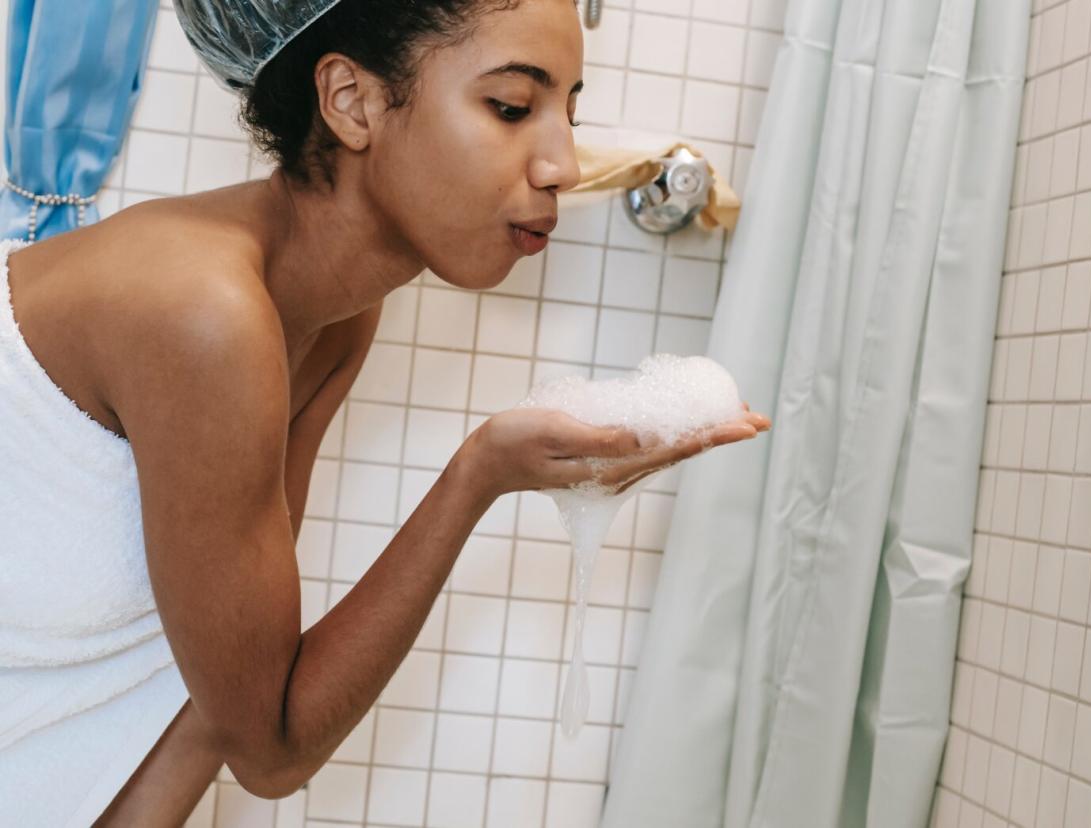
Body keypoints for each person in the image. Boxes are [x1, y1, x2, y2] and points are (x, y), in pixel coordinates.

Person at [0, 0, 769, 823]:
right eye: (512, 106)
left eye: (568, 109)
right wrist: (476, 476)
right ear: (351, 101)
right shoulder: (202, 313)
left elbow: (206, 703)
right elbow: (271, 748)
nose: (564, 165)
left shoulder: (332, 315)